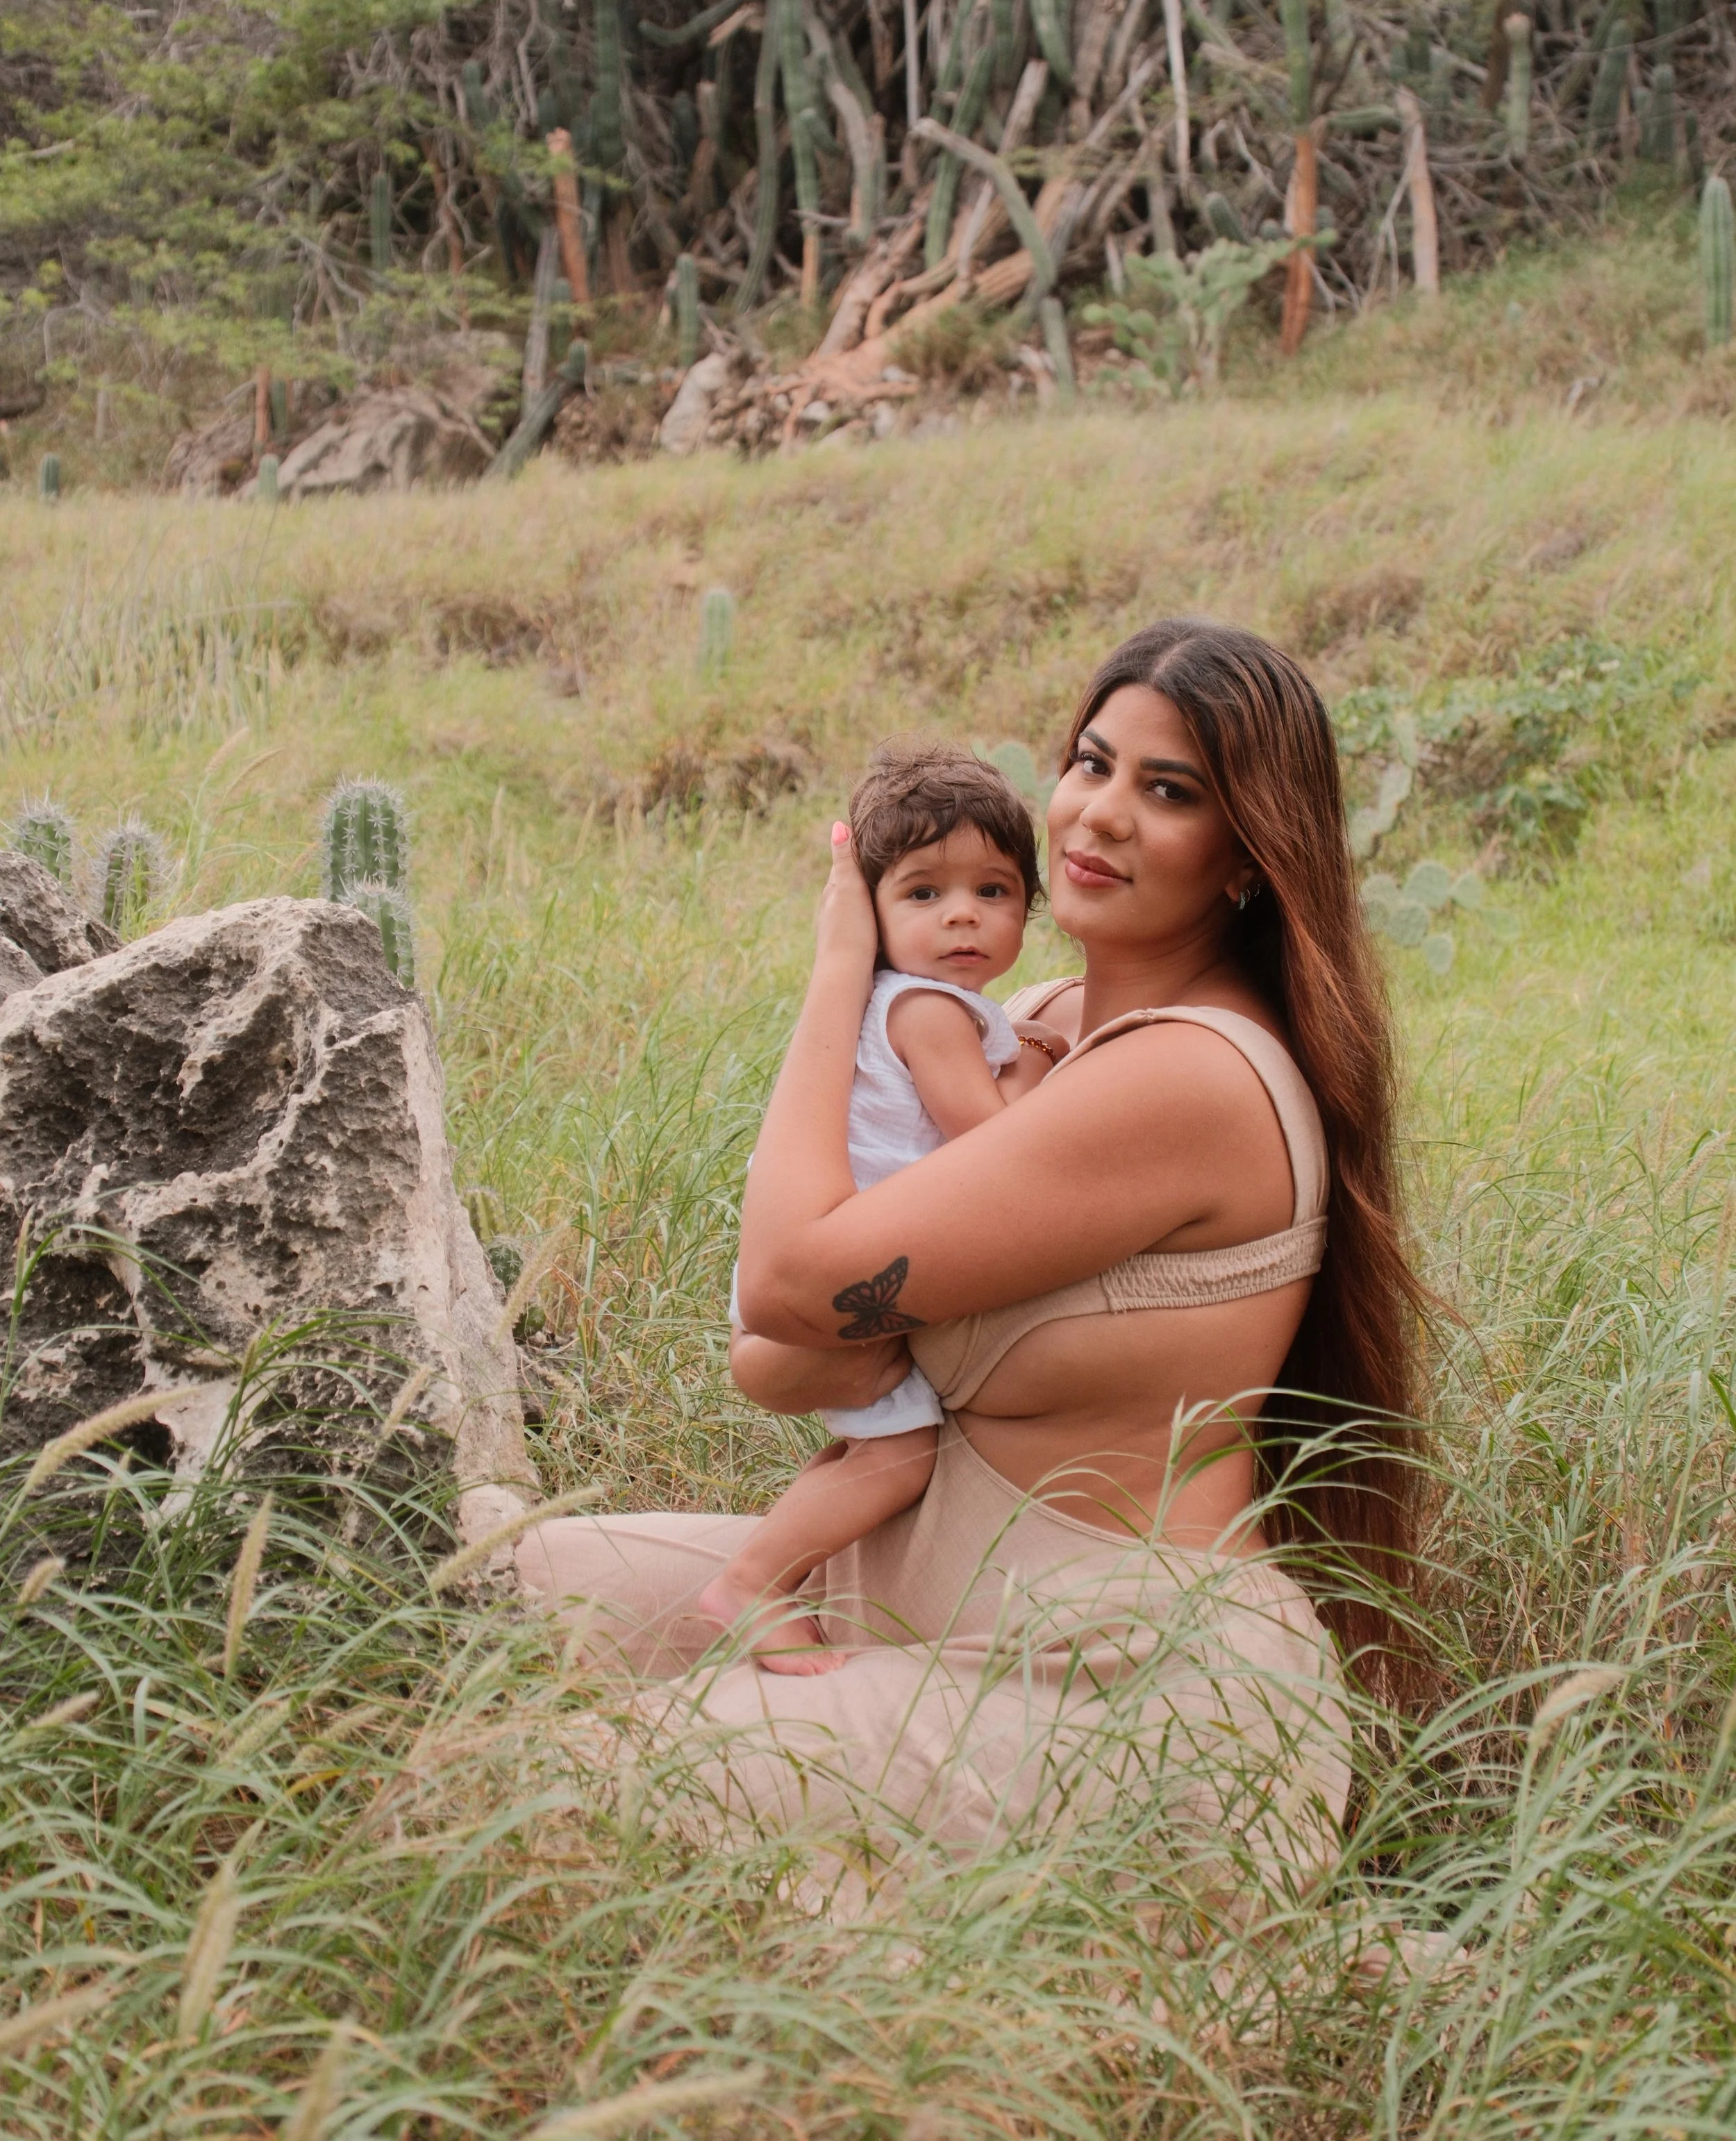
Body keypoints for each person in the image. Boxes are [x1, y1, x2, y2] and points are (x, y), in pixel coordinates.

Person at [517, 618, 1428, 1897]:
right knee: (505, 1594)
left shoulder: (1189, 1078)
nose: (1097, 816)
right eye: (1091, 762)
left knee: (555, 1788)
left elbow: (786, 1280)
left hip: (1109, 1695)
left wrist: (844, 969)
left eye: (1167, 791)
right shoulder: (1039, 1029)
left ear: (1245, 855)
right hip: (899, 1595)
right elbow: (779, 1355)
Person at [703, 742, 1057, 1671]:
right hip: (839, 1285)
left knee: (879, 1448)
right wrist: (1040, 1074)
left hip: (841, 1273)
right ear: (869, 907)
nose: (963, 917)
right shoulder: (931, 1012)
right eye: (923, 893)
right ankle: (754, 1580)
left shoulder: (924, 1005)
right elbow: (992, 1143)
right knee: (901, 1458)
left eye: (994, 891)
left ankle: (793, 1572)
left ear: (1030, 905)